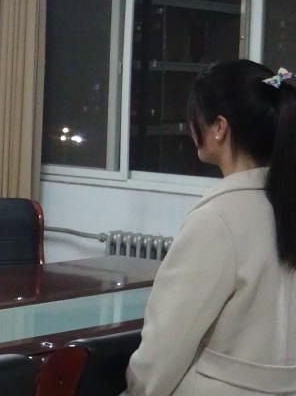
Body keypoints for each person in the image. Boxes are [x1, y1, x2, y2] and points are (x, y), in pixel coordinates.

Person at [126, 60, 296, 395]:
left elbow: (164, 348)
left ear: (219, 127)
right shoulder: (283, 203)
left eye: (194, 118)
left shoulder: (218, 219)